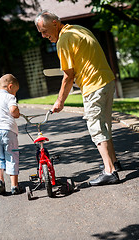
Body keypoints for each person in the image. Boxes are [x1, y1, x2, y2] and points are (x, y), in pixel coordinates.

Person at [35, 10, 122, 186]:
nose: (44, 36)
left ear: (54, 23)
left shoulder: (64, 40)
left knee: (96, 128)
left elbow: (68, 76)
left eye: (44, 31)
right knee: (104, 124)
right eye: (41, 33)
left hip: (94, 87)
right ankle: (114, 162)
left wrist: (59, 101)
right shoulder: (78, 29)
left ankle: (109, 171)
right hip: (107, 81)